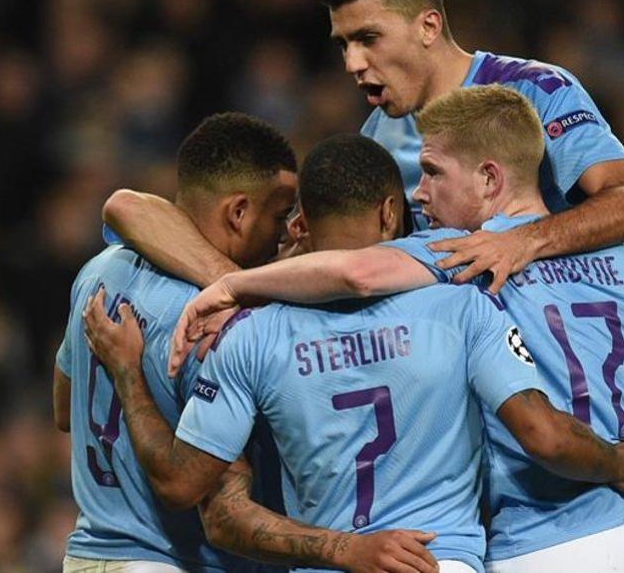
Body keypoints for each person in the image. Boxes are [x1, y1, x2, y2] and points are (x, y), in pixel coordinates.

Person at [171, 86, 624, 573]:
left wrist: (232, 286)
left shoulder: (462, 262)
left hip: (531, 544)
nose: (421, 194)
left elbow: (358, 269)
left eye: (434, 173)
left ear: (489, 179)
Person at [56, 113, 426, 572]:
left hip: (88, 552)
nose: (284, 231)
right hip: (170, 560)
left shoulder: (98, 271)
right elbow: (209, 501)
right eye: (278, 215)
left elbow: (62, 408)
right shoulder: (213, 322)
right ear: (238, 212)